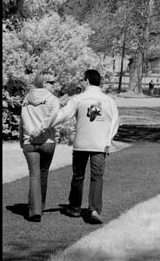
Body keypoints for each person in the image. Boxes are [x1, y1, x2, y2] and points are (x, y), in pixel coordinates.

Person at [46, 69, 120, 225]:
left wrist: (46, 124)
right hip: (100, 144)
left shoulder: (79, 98)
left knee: (78, 176)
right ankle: (94, 209)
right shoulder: (109, 100)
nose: (81, 82)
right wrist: (108, 141)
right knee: (97, 177)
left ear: (86, 81)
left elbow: (63, 115)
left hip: (81, 143)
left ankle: (74, 207)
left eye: (82, 80)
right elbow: (114, 122)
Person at [19, 73, 61, 222]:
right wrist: (41, 129)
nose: (54, 85)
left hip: (28, 142)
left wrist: (22, 138)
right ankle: (39, 207)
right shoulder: (53, 99)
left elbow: (22, 120)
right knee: (43, 174)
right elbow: (53, 116)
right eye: (51, 82)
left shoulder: (26, 99)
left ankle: (35, 208)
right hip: (47, 141)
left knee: (34, 175)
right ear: (44, 83)